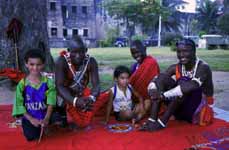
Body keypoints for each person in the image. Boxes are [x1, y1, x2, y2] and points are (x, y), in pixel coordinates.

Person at [140, 38, 214, 131]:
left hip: (197, 111)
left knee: (183, 82)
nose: (181, 55)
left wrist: (162, 95)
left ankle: (162, 122)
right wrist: (152, 89)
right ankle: (152, 119)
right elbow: (158, 80)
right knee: (162, 77)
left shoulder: (203, 67)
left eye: (185, 51)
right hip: (180, 108)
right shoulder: (176, 67)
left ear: (194, 51)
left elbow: (190, 86)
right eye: (179, 51)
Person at [55, 36, 108, 128]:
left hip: (82, 95)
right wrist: (75, 101)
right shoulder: (62, 61)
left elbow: (96, 85)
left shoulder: (91, 62)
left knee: (105, 96)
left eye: (81, 52)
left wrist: (91, 98)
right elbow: (59, 86)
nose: (78, 55)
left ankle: (83, 109)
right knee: (79, 122)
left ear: (86, 50)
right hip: (66, 95)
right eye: (74, 52)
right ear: (68, 50)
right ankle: (61, 114)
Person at [12, 49, 58, 141]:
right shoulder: (22, 84)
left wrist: (46, 118)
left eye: (38, 64)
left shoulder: (48, 82)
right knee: (31, 136)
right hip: (30, 116)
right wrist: (31, 119)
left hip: (45, 115)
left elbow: (51, 102)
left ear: (43, 64)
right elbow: (19, 105)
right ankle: (29, 125)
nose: (35, 68)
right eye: (32, 64)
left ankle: (49, 124)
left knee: (58, 118)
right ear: (26, 64)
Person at [129, 40, 160, 116]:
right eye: (133, 53)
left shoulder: (151, 63)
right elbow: (129, 83)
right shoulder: (133, 67)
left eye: (138, 52)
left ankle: (140, 113)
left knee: (147, 103)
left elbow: (155, 83)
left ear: (145, 49)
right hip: (135, 98)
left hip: (149, 98)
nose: (136, 55)